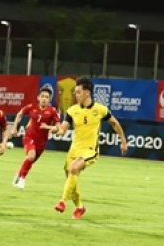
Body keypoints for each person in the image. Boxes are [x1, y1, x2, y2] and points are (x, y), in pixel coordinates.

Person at [44, 77, 128, 219]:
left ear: (87, 93)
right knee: (71, 178)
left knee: (74, 169)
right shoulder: (72, 110)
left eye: (78, 92)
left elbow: (115, 124)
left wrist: (123, 142)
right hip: (73, 150)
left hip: (89, 150)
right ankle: (80, 207)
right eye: (75, 92)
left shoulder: (101, 109)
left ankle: (62, 202)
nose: (75, 95)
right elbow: (63, 130)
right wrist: (54, 129)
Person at [10, 86, 60, 189]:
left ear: (49, 100)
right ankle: (22, 180)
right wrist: (15, 127)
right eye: (42, 96)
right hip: (29, 137)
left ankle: (18, 175)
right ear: (38, 97)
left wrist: (48, 127)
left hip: (41, 142)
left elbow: (58, 128)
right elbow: (20, 114)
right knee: (31, 156)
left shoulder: (52, 111)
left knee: (30, 160)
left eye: (47, 97)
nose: (44, 99)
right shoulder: (32, 107)